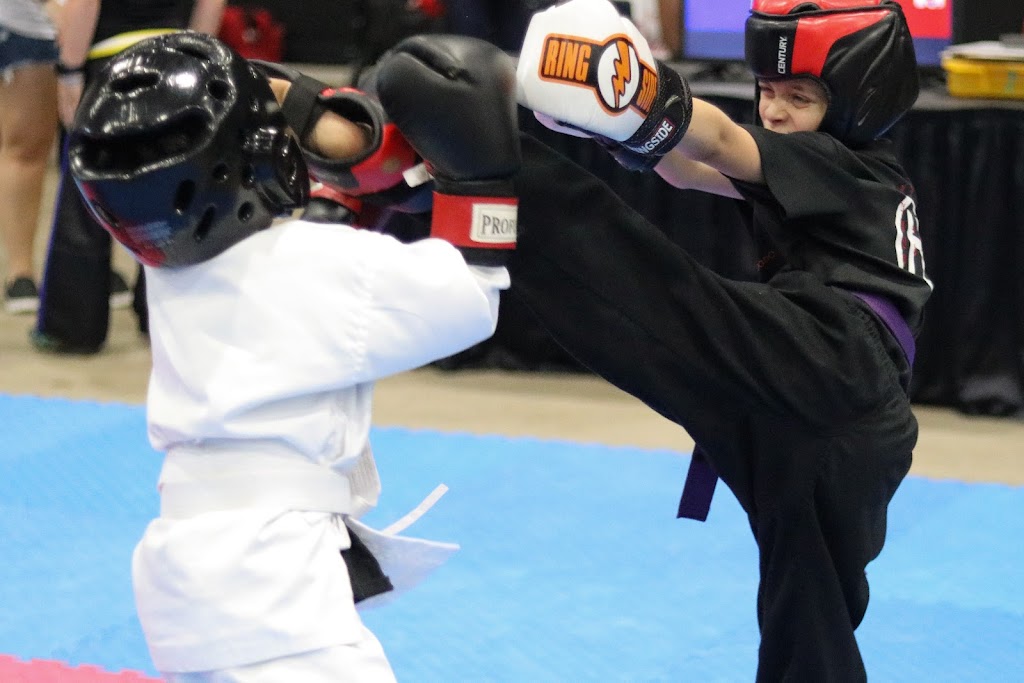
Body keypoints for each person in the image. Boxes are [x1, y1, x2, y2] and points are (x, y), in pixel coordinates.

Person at [67, 30, 520, 682]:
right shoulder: (314, 264)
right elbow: (470, 297)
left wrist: (322, 130)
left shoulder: (169, 274)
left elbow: (308, 243)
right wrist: (480, 175)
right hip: (273, 581)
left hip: (187, 576)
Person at [503, 0, 929, 680]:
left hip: (833, 357)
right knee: (808, 611)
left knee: (667, 303)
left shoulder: (841, 163)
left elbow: (722, 142)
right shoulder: (843, 174)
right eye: (767, 90)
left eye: (799, 97)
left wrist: (635, 91)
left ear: (859, 103)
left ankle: (509, 183)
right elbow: (686, 169)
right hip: (848, 421)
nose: (776, 111)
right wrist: (604, 125)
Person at [32, 0, 225, 353]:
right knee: (172, 196)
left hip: (110, 63)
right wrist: (196, 60)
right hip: (175, 61)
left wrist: (70, 70)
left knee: (86, 200)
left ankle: (73, 327)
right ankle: (166, 319)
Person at [0, 0, 59, 314]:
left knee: (93, 148)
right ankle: (20, 271)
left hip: (94, 26)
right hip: (26, 25)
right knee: (25, 146)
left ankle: (92, 264)